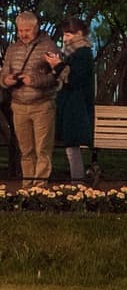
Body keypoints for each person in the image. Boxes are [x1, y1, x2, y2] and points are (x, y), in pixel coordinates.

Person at [0, 10, 61, 182]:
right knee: (26, 150)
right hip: (19, 105)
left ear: (36, 28)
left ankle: (40, 188)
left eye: (27, 30)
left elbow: (58, 76)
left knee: (43, 150)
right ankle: (27, 186)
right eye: (20, 30)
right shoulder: (12, 49)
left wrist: (34, 80)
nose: (23, 34)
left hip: (42, 105)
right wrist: (7, 80)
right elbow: (3, 73)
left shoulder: (48, 47)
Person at [51, 22, 93, 183]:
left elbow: (74, 78)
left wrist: (58, 65)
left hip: (76, 104)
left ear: (80, 34)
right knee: (70, 145)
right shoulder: (71, 52)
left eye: (69, 34)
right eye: (65, 34)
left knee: (72, 144)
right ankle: (77, 179)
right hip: (70, 103)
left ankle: (77, 180)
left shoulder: (82, 52)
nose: (65, 38)